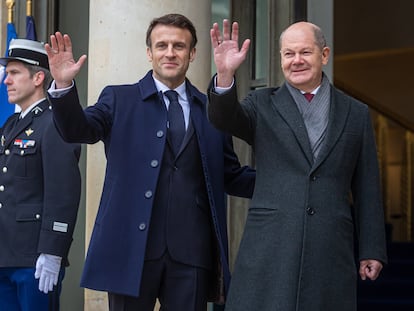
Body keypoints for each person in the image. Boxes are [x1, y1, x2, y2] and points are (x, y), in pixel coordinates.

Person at [45, 13, 255, 311]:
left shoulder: (211, 110)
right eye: (162, 45)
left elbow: (231, 175)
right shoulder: (119, 99)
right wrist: (64, 88)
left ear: (193, 53)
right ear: (149, 52)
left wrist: (284, 182)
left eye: (179, 46)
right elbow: (78, 130)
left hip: (192, 255)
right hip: (130, 252)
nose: (170, 53)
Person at [207, 20, 388, 311]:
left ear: (324, 55)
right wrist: (226, 75)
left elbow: (367, 184)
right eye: (289, 54)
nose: (297, 60)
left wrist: (372, 248)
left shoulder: (355, 112)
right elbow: (224, 120)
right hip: (271, 242)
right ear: (280, 58)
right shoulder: (262, 103)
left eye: (305, 52)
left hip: (329, 243)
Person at [0, 39, 81, 310]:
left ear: (37, 77)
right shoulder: (11, 124)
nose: (5, 81)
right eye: (6, 73)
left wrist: (53, 251)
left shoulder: (55, 122)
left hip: (34, 258)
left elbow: (63, 191)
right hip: (5, 254)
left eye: (13, 73)